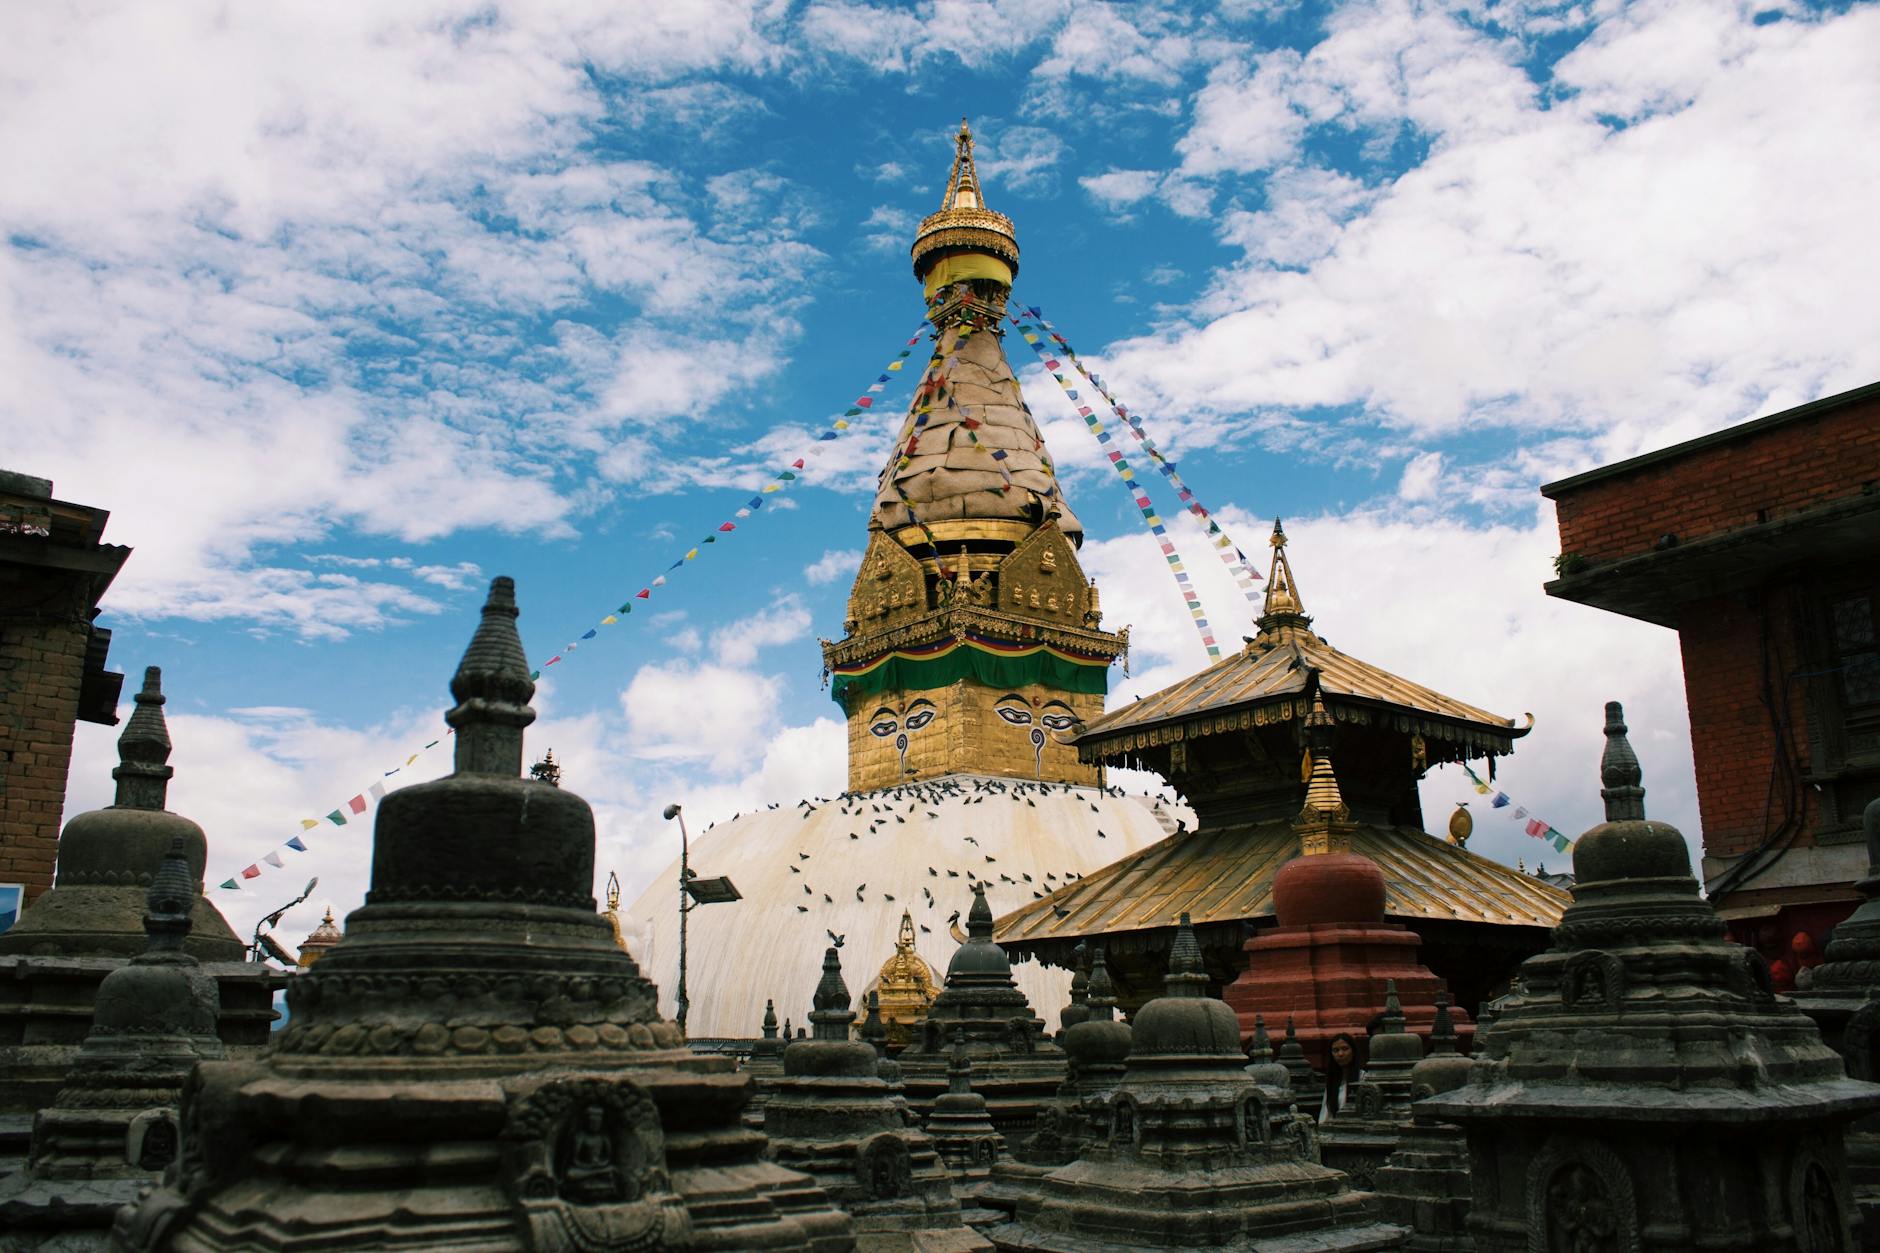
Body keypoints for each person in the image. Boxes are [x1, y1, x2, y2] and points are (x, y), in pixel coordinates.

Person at [1319, 1033, 1361, 1122]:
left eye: (1345, 1049)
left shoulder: (1363, 1078)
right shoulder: (1332, 1081)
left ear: (1353, 1051)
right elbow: (1325, 1115)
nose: (1340, 1054)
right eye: (1336, 1050)